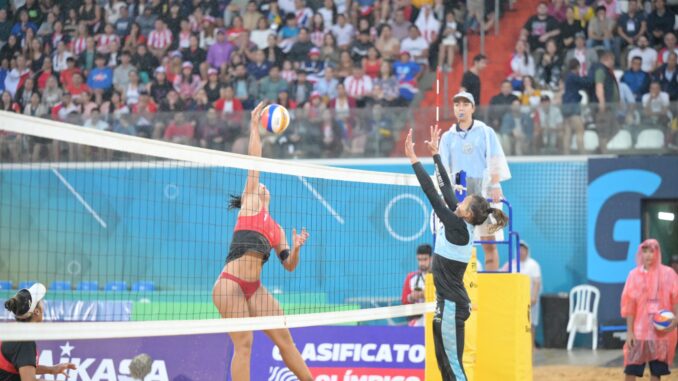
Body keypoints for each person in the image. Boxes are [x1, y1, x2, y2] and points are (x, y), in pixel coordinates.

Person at [212, 102, 312, 381]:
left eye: (262, 187)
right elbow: (254, 161)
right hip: (229, 284)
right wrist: (254, 127)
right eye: (257, 187)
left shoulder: (277, 230)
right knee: (244, 344)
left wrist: (297, 249)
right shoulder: (250, 203)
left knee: (284, 339)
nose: (261, 187)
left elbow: (289, 266)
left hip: (254, 288)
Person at [404, 125, 508, 380]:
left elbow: (432, 192)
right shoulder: (460, 221)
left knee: (453, 368)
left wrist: (414, 159)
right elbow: (447, 189)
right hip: (448, 303)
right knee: (445, 365)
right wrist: (436, 155)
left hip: (452, 306)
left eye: (464, 203)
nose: (459, 202)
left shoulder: (457, 228)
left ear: (469, 214)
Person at [438, 92, 511, 271]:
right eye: (457, 104)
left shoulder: (485, 132)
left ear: (473, 108)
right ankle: (459, 286)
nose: (460, 107)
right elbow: (443, 168)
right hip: (459, 189)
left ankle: (490, 285)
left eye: (465, 103)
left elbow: (495, 159)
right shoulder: (447, 137)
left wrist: (495, 184)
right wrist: (445, 194)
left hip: (483, 190)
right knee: (458, 242)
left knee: (488, 242)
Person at [621, 239, 678, 381]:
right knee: (631, 370)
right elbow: (629, 305)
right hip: (639, 332)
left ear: (657, 253)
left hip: (660, 333)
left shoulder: (668, 274)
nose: (648, 255)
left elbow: (676, 297)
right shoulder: (634, 276)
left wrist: (676, 319)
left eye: (652, 251)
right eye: (645, 251)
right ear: (640, 253)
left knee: (656, 373)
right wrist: (630, 332)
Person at [2, 283, 77, 380]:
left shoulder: (13, 331)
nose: (43, 305)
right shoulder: (24, 342)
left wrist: (51, 369)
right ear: (37, 311)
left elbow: (22, 365)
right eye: (41, 301)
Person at [501, 240, 542, 347]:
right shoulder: (511, 263)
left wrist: (534, 297)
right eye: (519, 249)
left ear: (527, 251)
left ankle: (531, 346)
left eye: (523, 249)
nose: (521, 251)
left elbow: (537, 282)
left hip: (530, 299)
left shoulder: (533, 264)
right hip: (515, 300)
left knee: (531, 323)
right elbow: (502, 276)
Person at [401, 244, 433, 326]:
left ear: (431, 259)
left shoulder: (438, 276)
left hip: (434, 319)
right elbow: (404, 300)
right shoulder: (411, 277)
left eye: (425, 259)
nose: (422, 263)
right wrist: (412, 297)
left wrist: (426, 294)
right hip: (417, 321)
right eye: (419, 260)